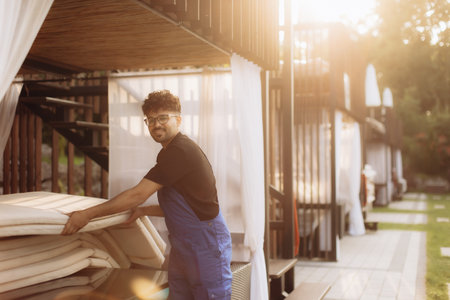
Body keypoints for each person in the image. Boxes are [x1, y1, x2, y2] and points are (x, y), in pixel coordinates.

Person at [62, 90, 232, 300]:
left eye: (163, 118)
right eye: (151, 120)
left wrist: (86, 215)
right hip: (183, 245)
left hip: (206, 244)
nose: (156, 124)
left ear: (178, 120)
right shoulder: (169, 152)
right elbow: (187, 206)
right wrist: (143, 211)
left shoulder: (180, 151)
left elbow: (137, 194)